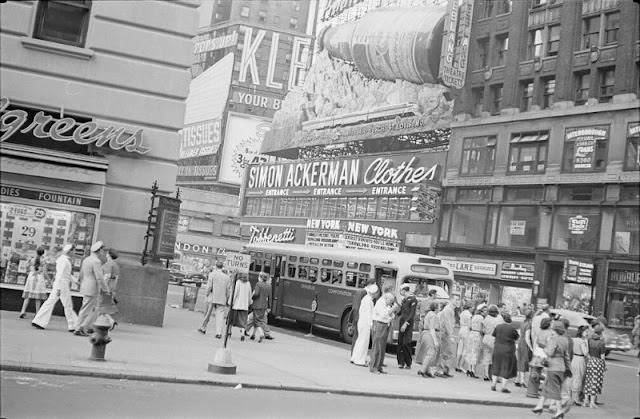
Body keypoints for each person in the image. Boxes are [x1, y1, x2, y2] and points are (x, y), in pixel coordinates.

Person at [32, 244, 79, 331]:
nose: (74, 253)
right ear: (70, 251)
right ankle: (73, 325)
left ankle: (38, 320)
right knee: (67, 304)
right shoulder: (64, 260)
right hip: (62, 285)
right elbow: (61, 274)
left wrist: (75, 281)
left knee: (51, 302)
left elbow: (66, 274)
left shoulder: (63, 260)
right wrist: (59, 288)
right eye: (73, 251)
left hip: (60, 284)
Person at [532, 321, 572, 419]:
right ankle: (539, 406)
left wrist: (544, 347)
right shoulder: (565, 340)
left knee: (554, 389)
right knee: (546, 386)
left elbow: (550, 353)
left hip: (553, 367)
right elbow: (566, 356)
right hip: (561, 367)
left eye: (552, 329)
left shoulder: (553, 339)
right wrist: (568, 368)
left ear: (554, 330)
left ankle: (559, 411)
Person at [73, 242, 106, 336]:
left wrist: (79, 281)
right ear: (99, 250)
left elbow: (81, 272)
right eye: (102, 250)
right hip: (92, 287)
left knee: (89, 308)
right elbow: (99, 277)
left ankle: (85, 326)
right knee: (87, 309)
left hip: (86, 285)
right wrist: (105, 289)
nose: (103, 252)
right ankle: (79, 328)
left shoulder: (87, 259)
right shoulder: (96, 261)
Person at [198, 261, 231, 338]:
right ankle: (218, 333)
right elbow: (228, 290)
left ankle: (203, 327)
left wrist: (206, 294)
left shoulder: (212, 274)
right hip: (222, 298)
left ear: (216, 266)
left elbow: (209, 286)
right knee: (220, 316)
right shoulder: (227, 277)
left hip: (212, 297)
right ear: (222, 267)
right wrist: (227, 299)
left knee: (208, 314)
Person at [369, 292, 397, 374]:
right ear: (386, 298)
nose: (391, 303)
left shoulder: (386, 303)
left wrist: (391, 311)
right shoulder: (381, 303)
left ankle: (379, 366)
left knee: (382, 347)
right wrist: (393, 309)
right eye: (390, 301)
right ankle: (373, 367)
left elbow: (392, 316)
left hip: (385, 325)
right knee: (377, 347)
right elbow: (384, 315)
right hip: (379, 324)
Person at [350, 284, 378, 366]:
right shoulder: (369, 301)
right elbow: (369, 315)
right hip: (365, 323)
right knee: (364, 342)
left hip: (361, 322)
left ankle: (355, 357)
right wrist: (372, 324)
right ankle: (360, 360)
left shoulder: (366, 299)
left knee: (359, 340)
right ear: (373, 293)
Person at [491, 313, 519, 393]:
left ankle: (493, 385)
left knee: (496, 365)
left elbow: (494, 335)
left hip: (497, 348)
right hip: (508, 350)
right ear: (510, 320)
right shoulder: (512, 329)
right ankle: (503, 387)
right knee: (506, 367)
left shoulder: (498, 327)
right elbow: (516, 338)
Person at [19, 247, 48, 318]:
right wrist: (50, 281)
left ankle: (23, 311)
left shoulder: (32, 259)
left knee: (28, 295)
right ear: (43, 253)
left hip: (31, 276)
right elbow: (44, 272)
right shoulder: (43, 261)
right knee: (38, 297)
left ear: (36, 252)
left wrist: (31, 271)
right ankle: (37, 313)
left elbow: (26, 266)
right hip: (39, 278)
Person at [583, 324, 607, 409]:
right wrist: (604, 366)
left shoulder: (589, 340)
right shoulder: (601, 342)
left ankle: (586, 400)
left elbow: (586, 351)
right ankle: (592, 402)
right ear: (601, 333)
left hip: (590, 361)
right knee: (595, 382)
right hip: (598, 362)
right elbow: (602, 356)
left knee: (588, 381)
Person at [436, 295, 459, 377]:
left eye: (458, 300)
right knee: (444, 352)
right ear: (451, 300)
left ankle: (445, 370)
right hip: (445, 333)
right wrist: (450, 335)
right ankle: (440, 370)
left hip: (446, 333)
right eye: (456, 299)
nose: (457, 301)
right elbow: (447, 323)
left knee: (447, 352)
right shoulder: (448, 310)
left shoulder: (451, 309)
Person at [98, 248, 120, 331]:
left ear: (109, 255)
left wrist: (103, 287)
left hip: (105, 288)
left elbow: (106, 277)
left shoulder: (108, 265)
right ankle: (110, 321)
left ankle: (110, 321)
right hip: (111, 288)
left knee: (99, 306)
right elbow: (116, 279)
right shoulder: (116, 265)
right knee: (102, 306)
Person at [396, 284, 418, 369]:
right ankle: (401, 362)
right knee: (400, 342)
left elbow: (412, 313)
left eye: (401, 291)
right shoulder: (404, 300)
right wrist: (395, 314)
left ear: (404, 290)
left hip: (408, 323)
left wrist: (406, 323)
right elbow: (401, 311)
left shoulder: (413, 299)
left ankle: (408, 362)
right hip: (402, 321)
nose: (400, 292)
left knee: (406, 343)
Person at [417, 302, 440, 378]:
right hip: (429, 334)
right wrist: (435, 341)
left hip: (425, 333)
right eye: (439, 307)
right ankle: (423, 370)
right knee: (431, 353)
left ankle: (428, 370)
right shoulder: (433, 315)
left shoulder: (429, 313)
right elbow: (432, 328)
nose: (439, 308)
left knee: (427, 353)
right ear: (436, 308)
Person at [415, 288, 438, 364]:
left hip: (421, 321)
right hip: (427, 323)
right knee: (427, 341)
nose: (436, 296)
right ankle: (423, 358)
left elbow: (418, 310)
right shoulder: (432, 303)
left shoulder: (423, 301)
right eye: (436, 294)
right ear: (433, 294)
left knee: (420, 340)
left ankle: (417, 357)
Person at [480, 304, 502, 381]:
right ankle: (494, 376)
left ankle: (486, 375)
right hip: (494, 339)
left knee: (486, 357)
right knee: (495, 358)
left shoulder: (486, 318)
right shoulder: (499, 319)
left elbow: (482, 329)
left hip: (486, 338)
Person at [228, 273, 252, 340]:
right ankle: (242, 334)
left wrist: (230, 302)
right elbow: (250, 294)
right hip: (244, 306)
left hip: (236, 305)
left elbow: (235, 293)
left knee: (231, 319)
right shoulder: (248, 283)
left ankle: (229, 331)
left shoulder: (238, 282)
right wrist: (249, 302)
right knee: (243, 321)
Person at [570, 325, 589, 406]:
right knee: (578, 378)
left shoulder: (573, 339)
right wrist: (586, 343)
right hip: (580, 360)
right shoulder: (582, 341)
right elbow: (585, 353)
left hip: (573, 358)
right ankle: (576, 399)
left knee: (572, 377)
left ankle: (570, 397)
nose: (588, 333)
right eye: (586, 332)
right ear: (582, 332)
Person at [249, 272, 271, 342]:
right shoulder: (269, 286)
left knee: (257, 320)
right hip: (264, 306)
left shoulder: (258, 284)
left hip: (257, 305)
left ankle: (261, 334)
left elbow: (256, 294)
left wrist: (252, 298)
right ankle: (253, 334)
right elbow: (270, 297)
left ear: (260, 278)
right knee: (259, 320)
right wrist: (269, 307)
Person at [463, 305, 484, 378]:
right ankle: (473, 371)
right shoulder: (481, 318)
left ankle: (469, 369)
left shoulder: (472, 317)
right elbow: (482, 328)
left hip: (471, 334)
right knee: (475, 352)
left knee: (470, 352)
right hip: (477, 334)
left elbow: (469, 327)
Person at [515, 309, 534, 388]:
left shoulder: (522, 323)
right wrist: (531, 347)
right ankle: (522, 381)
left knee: (520, 360)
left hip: (520, 342)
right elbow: (527, 337)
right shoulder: (529, 324)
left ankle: (517, 379)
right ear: (531, 316)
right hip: (525, 344)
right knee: (524, 362)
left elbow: (520, 333)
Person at [455, 301, 473, 373]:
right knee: (465, 349)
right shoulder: (469, 314)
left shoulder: (462, 313)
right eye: (472, 307)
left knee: (460, 348)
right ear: (469, 307)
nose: (472, 309)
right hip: (466, 331)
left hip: (461, 330)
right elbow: (469, 325)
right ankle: (461, 366)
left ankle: (457, 365)